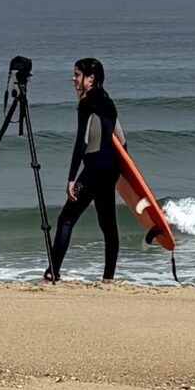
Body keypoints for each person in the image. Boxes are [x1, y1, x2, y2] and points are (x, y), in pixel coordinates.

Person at [46, 58, 125, 283]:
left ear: (90, 79)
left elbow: (82, 142)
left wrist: (72, 178)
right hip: (110, 170)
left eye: (77, 75)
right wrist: (119, 172)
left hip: (93, 170)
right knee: (108, 225)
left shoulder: (86, 103)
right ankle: (108, 278)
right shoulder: (108, 102)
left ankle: (53, 272)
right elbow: (121, 140)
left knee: (66, 220)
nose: (73, 79)